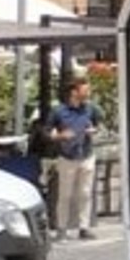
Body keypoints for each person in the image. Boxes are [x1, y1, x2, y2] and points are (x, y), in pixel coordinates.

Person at [44, 78, 100, 240]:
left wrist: (93, 130)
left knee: (85, 193)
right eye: (85, 89)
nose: (88, 92)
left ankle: (84, 227)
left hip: (86, 155)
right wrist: (60, 136)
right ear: (74, 92)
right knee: (65, 194)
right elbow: (46, 132)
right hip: (67, 157)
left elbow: (97, 125)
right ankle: (62, 228)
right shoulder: (59, 111)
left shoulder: (91, 109)